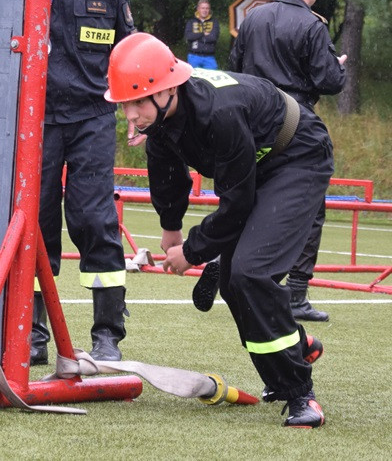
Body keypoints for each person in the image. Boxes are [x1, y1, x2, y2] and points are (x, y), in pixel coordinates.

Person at [106, 32, 329, 428]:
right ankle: (297, 346)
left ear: (167, 89)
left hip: (298, 155)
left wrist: (194, 250)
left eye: (138, 102)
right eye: (125, 105)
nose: (132, 116)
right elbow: (166, 172)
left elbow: (237, 204)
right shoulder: (161, 118)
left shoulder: (218, 112)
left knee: (250, 273)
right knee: (234, 282)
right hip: (259, 162)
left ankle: (299, 395)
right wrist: (170, 227)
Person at [0, 0, 136, 364]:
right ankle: (31, 335)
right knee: (34, 225)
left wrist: (136, 105)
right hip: (32, 122)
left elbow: (127, 44)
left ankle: (107, 334)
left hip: (92, 115)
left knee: (94, 219)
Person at [224, 0, 347, 322]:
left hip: (252, 122)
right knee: (310, 208)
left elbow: (235, 69)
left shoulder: (253, 19)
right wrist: (335, 67)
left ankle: (226, 263)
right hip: (297, 125)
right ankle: (295, 292)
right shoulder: (312, 26)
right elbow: (330, 82)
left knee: (250, 198)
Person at [183, 0, 219, 69]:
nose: (205, 10)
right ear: (198, 9)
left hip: (209, 57)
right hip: (194, 56)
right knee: (193, 78)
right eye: (203, 8)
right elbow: (189, 37)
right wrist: (203, 34)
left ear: (209, 10)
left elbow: (213, 38)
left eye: (207, 8)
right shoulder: (191, 21)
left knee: (211, 78)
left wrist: (196, 37)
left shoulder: (214, 22)